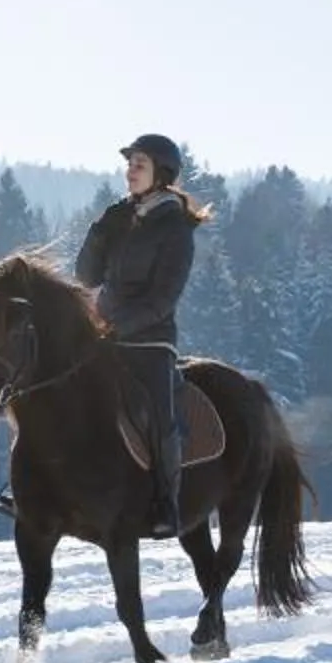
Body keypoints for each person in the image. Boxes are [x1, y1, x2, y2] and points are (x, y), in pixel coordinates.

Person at [78, 133, 212, 538]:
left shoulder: (176, 227)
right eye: (129, 164)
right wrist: (98, 231)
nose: (130, 172)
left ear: (161, 174)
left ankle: (166, 502)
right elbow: (87, 275)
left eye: (140, 165)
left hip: (150, 340)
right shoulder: (119, 216)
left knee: (158, 415)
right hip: (103, 333)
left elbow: (163, 299)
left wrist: (119, 327)